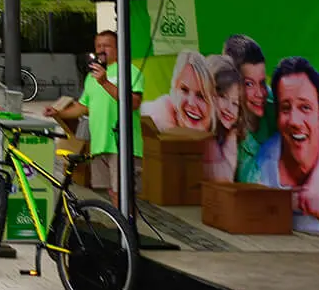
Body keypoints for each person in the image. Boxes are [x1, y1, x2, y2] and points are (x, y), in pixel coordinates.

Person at [253, 57, 319, 237]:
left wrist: (314, 186)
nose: (294, 121)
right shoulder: (264, 167)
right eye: (285, 108)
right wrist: (298, 200)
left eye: (305, 107)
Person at [44, 30, 144, 202]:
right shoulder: (92, 77)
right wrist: (59, 112)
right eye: (98, 46)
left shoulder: (129, 71)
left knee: (124, 194)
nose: (101, 50)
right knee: (112, 193)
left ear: (118, 48)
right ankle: (121, 227)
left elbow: (133, 103)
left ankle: (126, 228)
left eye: (106, 46)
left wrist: (105, 82)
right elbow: (83, 108)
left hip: (122, 144)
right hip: (99, 143)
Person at [224, 34, 274, 181]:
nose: (260, 94)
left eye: (262, 82)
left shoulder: (273, 102)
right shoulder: (225, 125)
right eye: (249, 84)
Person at [142, 49, 215, 133]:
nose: (191, 103)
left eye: (201, 96)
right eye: (184, 90)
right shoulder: (158, 115)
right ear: (174, 91)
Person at [202, 53, 246, 184]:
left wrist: (232, 137)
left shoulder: (230, 134)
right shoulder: (201, 132)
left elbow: (226, 179)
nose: (229, 109)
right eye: (223, 97)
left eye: (235, 103)